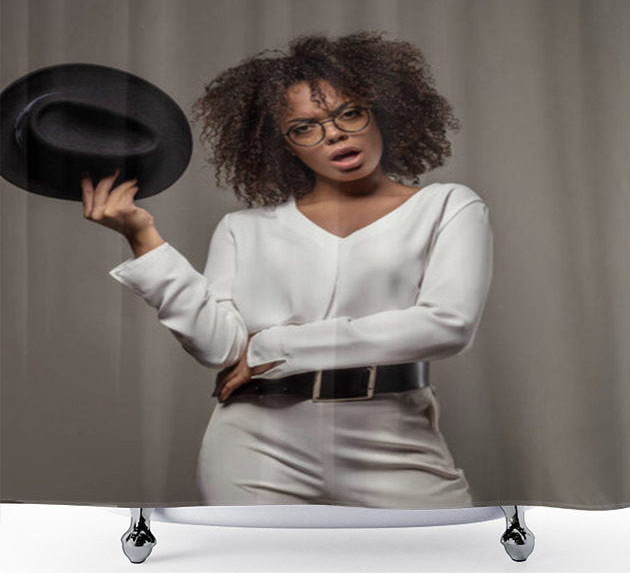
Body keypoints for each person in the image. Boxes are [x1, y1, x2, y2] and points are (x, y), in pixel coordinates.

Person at [81, 30, 494, 508]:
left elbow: (448, 326)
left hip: (394, 437)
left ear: (380, 113)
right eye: (305, 127)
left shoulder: (448, 206)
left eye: (349, 113)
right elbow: (220, 348)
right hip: (256, 446)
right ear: (283, 145)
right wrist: (142, 237)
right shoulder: (243, 228)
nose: (334, 133)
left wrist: (275, 344)